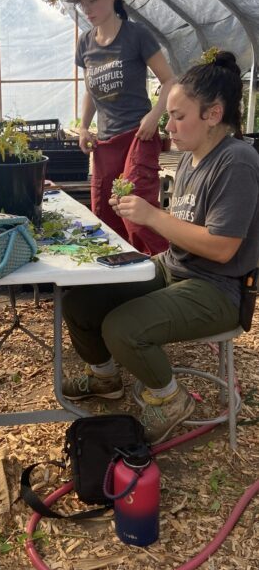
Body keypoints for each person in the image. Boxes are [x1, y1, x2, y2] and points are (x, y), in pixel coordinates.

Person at [62, 51, 259, 444]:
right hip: (176, 268)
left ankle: (171, 400)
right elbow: (181, 230)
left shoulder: (237, 162)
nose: (169, 125)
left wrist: (151, 216)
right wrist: (142, 216)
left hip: (219, 287)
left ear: (214, 114)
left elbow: (221, 249)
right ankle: (106, 378)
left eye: (179, 116)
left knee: (122, 328)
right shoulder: (190, 157)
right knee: (80, 300)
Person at [65, 0, 175, 254]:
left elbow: (169, 80)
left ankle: (160, 268)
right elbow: (90, 88)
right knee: (104, 210)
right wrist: (85, 127)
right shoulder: (85, 43)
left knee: (134, 207)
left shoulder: (137, 35)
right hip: (105, 141)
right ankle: (117, 273)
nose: (87, 8)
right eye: (83, 2)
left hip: (138, 135)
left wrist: (155, 116)